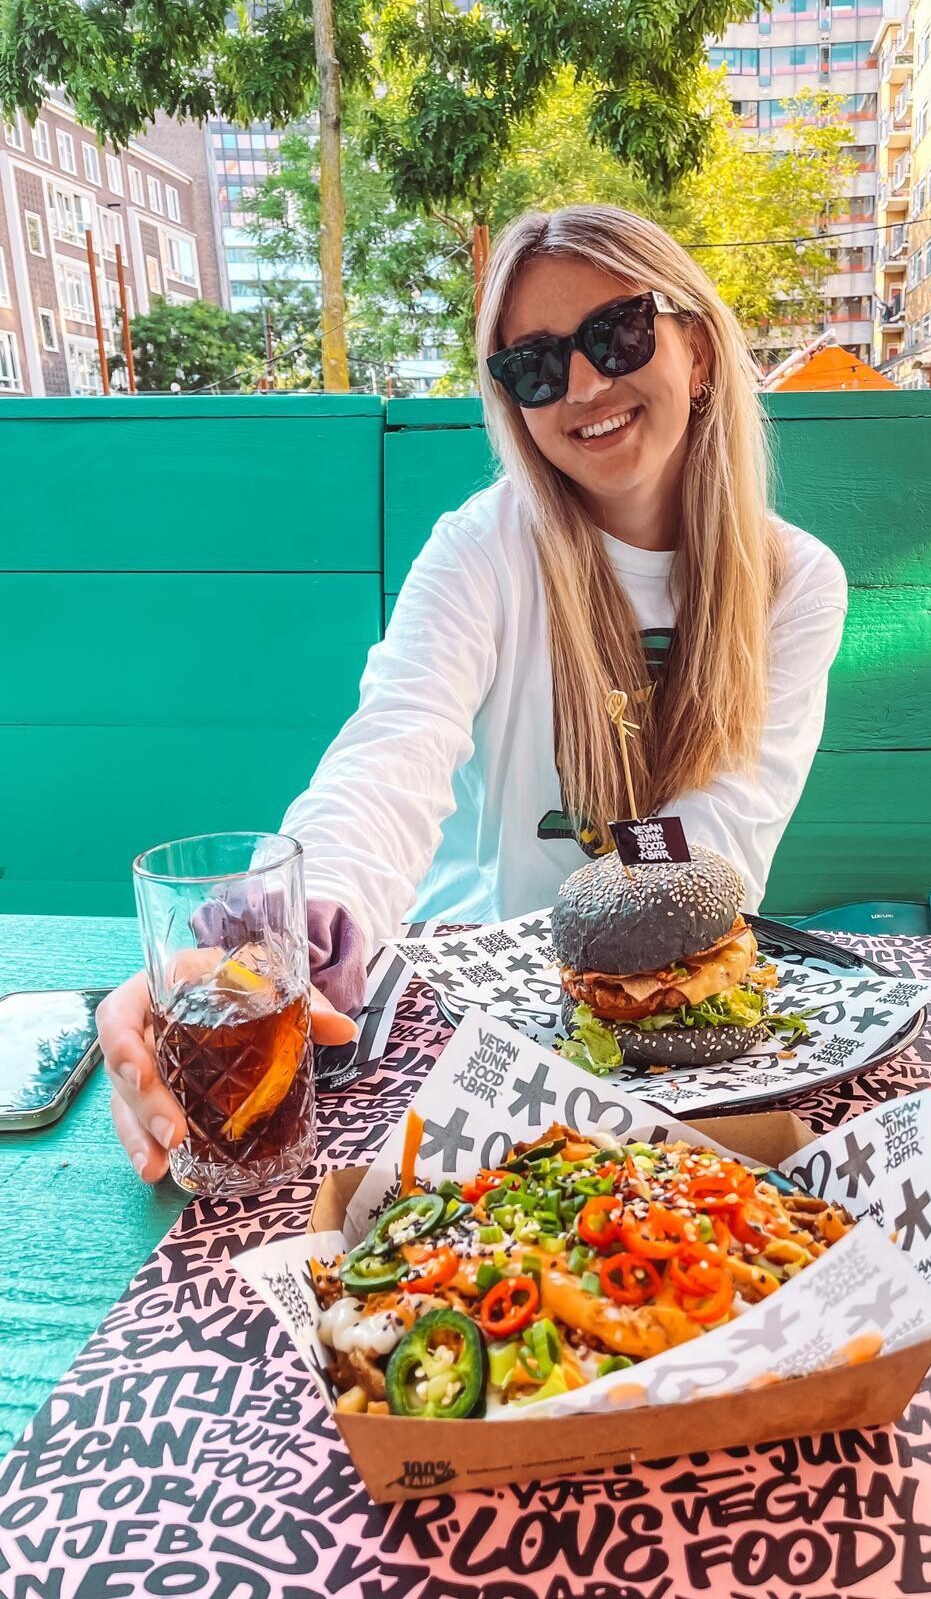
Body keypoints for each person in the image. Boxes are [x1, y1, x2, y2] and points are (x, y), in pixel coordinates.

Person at [100, 203, 848, 1181]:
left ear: (697, 349)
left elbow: (720, 842)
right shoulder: (481, 549)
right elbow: (393, 751)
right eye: (534, 366)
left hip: (662, 1024)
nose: (582, 385)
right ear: (512, 401)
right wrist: (266, 946)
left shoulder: (796, 580)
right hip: (457, 1007)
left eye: (617, 334)